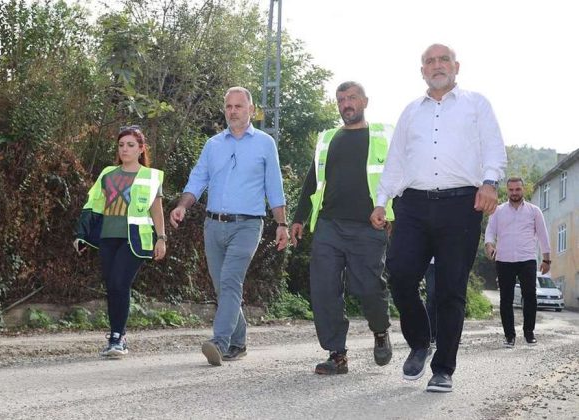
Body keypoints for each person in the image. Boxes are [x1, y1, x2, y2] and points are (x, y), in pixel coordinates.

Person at [370, 43, 507, 393]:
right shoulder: (411, 112)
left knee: (449, 290)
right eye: (429, 61)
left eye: (443, 59)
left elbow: (493, 146)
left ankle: (443, 367)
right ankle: (420, 341)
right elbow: (396, 160)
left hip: (462, 204)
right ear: (422, 72)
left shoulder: (477, 104)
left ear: (456, 66)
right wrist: (381, 201)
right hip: (412, 205)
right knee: (399, 275)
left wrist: (490, 182)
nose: (436, 65)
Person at [170, 86, 289, 366]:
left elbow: (274, 186)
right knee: (222, 287)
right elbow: (198, 178)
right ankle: (238, 341)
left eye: (238, 106)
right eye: (228, 106)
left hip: (247, 225)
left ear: (251, 110)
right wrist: (181, 206)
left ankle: (219, 342)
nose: (233, 111)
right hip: (214, 224)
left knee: (230, 281)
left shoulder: (264, 144)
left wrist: (281, 223)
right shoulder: (213, 145)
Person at [290, 81, 393, 375]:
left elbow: (399, 176)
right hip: (329, 225)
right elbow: (312, 181)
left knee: (369, 287)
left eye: (352, 98)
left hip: (369, 226)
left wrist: (397, 215)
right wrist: (298, 218)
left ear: (365, 101)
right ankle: (337, 355)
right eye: (341, 100)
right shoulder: (328, 139)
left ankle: (380, 330)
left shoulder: (382, 137)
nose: (346, 104)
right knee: (324, 290)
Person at [74, 126, 167, 358]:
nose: (125, 149)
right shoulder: (107, 173)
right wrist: (81, 234)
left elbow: (157, 209)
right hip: (108, 237)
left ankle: (118, 338)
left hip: (135, 239)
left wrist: (161, 238)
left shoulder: (150, 175)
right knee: (112, 285)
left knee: (119, 283)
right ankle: (116, 335)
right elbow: (92, 205)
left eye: (131, 145)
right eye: (121, 145)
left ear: (141, 149)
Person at [485, 177, 551, 347]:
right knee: (505, 299)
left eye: (518, 189)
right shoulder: (498, 211)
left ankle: (529, 333)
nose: (514, 193)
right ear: (507, 191)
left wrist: (546, 259)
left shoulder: (534, 211)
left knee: (529, 296)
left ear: (523, 190)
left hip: (527, 259)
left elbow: (543, 235)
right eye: (511, 190)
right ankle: (509, 336)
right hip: (504, 259)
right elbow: (490, 232)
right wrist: (489, 246)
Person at [424, 258, 436, 346]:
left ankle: (448, 334)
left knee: (447, 297)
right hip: (431, 263)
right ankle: (430, 333)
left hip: (448, 260)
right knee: (431, 296)